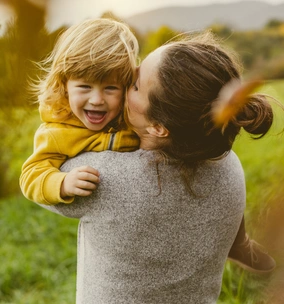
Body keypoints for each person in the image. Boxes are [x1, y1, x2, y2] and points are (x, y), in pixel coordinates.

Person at [38, 31, 279, 303]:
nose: (127, 78)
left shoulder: (101, 177)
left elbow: (42, 178)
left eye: (135, 85)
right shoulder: (228, 164)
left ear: (158, 127)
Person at [19, 18, 139, 205]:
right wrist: (63, 183)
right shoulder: (57, 132)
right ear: (64, 85)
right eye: (84, 87)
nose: (97, 100)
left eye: (110, 88)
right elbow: (30, 175)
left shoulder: (133, 116)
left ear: (126, 88)